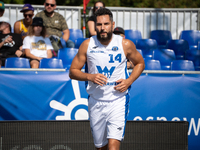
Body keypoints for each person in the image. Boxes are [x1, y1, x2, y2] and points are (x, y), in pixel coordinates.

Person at [69, 8, 145, 150]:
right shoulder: (87, 45)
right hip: (96, 102)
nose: (102, 28)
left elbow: (140, 63)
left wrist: (128, 81)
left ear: (112, 24)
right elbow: (72, 72)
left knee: (113, 147)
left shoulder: (125, 44)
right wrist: (90, 77)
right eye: (99, 24)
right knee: (100, 147)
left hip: (118, 101)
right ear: (95, 26)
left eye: (106, 24)